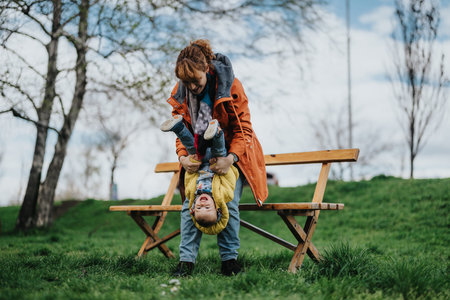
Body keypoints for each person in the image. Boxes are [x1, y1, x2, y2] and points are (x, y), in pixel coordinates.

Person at [165, 39, 268, 276]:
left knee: (226, 201)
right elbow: (182, 130)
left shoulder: (232, 86)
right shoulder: (179, 92)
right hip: (199, 155)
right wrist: (182, 157)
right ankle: (186, 262)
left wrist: (230, 159)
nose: (191, 86)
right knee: (190, 204)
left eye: (196, 80)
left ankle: (230, 261)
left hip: (233, 153)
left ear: (207, 69)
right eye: (186, 82)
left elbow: (244, 129)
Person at [160, 116, 239, 234]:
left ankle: (178, 127)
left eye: (198, 208)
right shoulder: (224, 195)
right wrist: (223, 167)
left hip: (200, 161)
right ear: (217, 209)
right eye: (207, 207)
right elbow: (230, 180)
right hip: (217, 162)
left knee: (191, 147)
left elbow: (190, 179)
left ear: (192, 208)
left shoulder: (192, 193)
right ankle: (216, 132)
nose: (202, 204)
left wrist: (192, 165)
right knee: (220, 151)